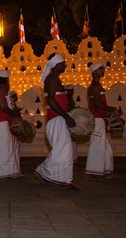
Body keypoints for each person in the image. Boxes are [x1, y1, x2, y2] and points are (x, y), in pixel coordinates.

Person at [34, 53, 78, 190]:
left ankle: (65, 180)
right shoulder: (52, 79)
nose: (65, 65)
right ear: (57, 65)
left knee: (64, 150)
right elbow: (52, 101)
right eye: (63, 63)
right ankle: (42, 171)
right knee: (63, 150)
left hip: (58, 119)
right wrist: (67, 117)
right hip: (56, 119)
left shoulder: (54, 79)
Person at [0, 69, 24, 179]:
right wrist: (13, 112)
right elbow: (3, 106)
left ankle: (5, 172)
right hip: (1, 121)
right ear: (6, 79)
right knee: (1, 147)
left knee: (4, 147)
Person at [85, 63, 116, 179]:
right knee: (97, 146)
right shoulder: (96, 86)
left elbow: (92, 104)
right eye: (100, 69)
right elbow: (97, 104)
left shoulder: (95, 86)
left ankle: (107, 170)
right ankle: (91, 172)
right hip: (98, 119)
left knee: (106, 146)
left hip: (99, 118)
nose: (103, 71)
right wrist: (111, 109)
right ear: (94, 72)